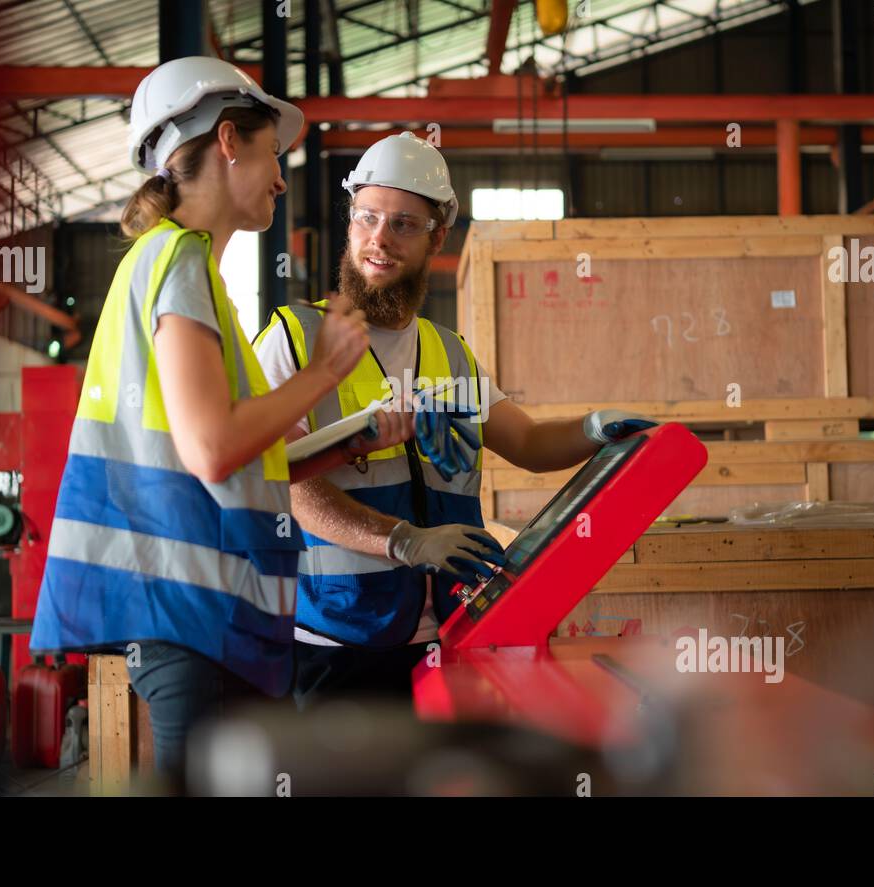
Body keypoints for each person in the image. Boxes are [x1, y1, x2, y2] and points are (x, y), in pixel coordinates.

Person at [27, 57, 409, 783]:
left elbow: (244, 455)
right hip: (182, 607)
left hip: (190, 612)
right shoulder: (178, 263)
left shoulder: (182, 269)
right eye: (272, 153)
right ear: (228, 140)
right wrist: (322, 372)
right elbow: (211, 449)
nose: (280, 177)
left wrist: (347, 441)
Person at [253, 131, 654, 708]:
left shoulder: (451, 352)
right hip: (335, 642)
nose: (379, 240)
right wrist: (404, 542)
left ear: (437, 236)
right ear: (349, 222)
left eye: (404, 224)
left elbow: (531, 442)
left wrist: (594, 427)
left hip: (451, 631)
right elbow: (287, 485)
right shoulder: (292, 339)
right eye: (367, 217)